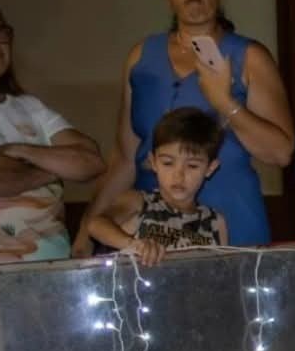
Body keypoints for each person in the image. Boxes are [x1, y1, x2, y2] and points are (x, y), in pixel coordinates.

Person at [72, 0, 294, 253]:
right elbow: (124, 157)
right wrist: (86, 230)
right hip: (153, 234)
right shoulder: (141, 57)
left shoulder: (249, 57)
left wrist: (225, 103)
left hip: (231, 220)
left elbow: (281, 153)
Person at [0, 0, 104, 264]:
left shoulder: (29, 106)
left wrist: (18, 151)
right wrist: (54, 169)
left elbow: (91, 161)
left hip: (50, 270)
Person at [85, 106, 228, 265]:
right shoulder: (139, 202)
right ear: (153, 162)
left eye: (192, 166)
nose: (178, 175)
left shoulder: (215, 222)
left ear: (210, 168)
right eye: (168, 163)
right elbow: (96, 224)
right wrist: (134, 245)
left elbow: (221, 271)